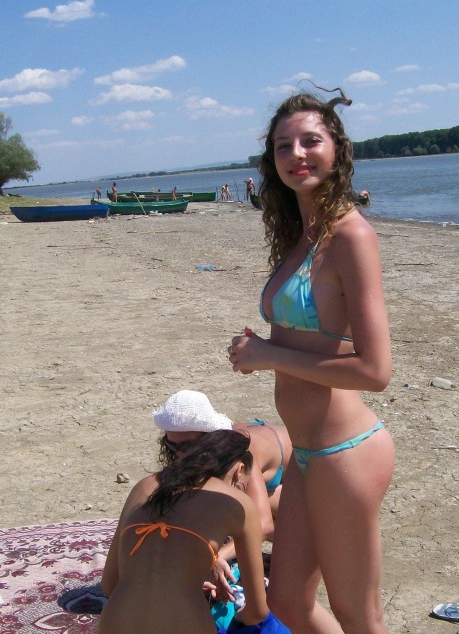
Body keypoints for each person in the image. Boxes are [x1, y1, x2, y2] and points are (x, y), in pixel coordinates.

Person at [227, 88, 395, 633]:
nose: (297, 153)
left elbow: (376, 371)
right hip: (306, 454)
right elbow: (318, 342)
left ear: (337, 150)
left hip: (345, 454)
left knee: (357, 613)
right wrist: (262, 353)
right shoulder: (302, 238)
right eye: (283, 146)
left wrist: (266, 354)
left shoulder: (351, 236)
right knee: (288, 605)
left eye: (310, 141)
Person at [100, 430, 288, 634]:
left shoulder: (144, 486)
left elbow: (109, 585)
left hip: (116, 623)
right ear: (239, 470)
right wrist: (238, 617)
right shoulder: (238, 503)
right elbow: (257, 611)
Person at [152, 390, 291, 591]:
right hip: (268, 461)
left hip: (302, 470)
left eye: (187, 447)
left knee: (253, 511)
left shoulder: (240, 454)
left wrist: (215, 556)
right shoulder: (184, 451)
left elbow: (263, 524)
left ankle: (297, 555)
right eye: (171, 446)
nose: (179, 455)